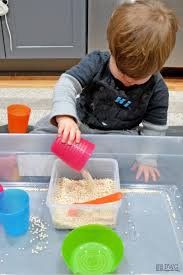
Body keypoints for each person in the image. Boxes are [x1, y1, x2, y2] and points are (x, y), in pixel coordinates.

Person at [32, 0, 179, 182]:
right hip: (80, 124)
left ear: (160, 66)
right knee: (42, 130)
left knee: (131, 156)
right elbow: (66, 84)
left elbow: (154, 129)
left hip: (118, 135)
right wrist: (66, 117)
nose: (128, 79)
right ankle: (33, 165)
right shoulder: (96, 62)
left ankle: (92, 166)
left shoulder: (158, 89)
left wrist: (147, 159)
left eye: (139, 77)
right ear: (111, 50)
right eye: (122, 72)